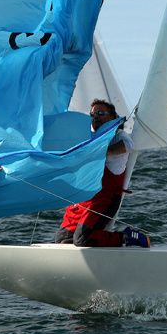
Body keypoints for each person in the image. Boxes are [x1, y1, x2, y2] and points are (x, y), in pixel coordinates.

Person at [54, 99, 150, 247]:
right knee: (61, 239)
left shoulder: (118, 136)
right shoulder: (88, 139)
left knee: (82, 239)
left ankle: (127, 237)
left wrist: (99, 152)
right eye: (92, 114)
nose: (95, 117)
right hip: (83, 199)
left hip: (104, 199)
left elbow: (129, 145)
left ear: (112, 117)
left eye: (100, 113)